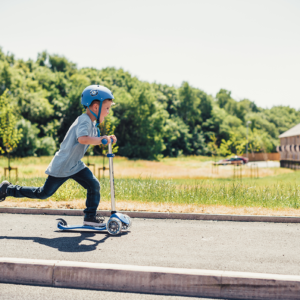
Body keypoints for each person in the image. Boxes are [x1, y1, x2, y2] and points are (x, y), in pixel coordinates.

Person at [0, 85, 117, 226]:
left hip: (75, 164)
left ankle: (90, 218)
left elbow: (94, 139)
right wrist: (101, 139)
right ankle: (8, 189)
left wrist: (107, 138)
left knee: (93, 185)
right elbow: (83, 139)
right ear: (96, 107)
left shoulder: (92, 124)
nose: (108, 112)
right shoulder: (84, 119)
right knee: (43, 193)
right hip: (63, 164)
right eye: (107, 108)